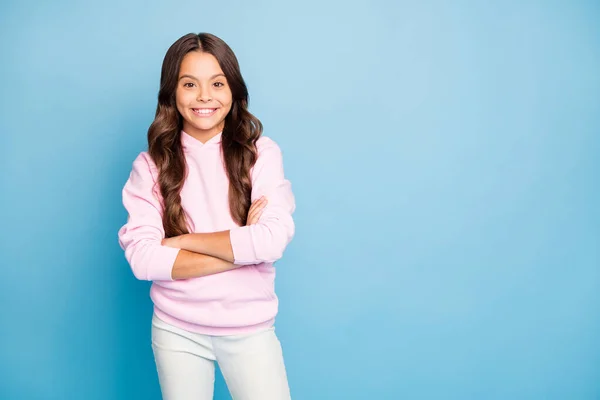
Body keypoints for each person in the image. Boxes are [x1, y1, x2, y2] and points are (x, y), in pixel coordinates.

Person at [117, 32, 295, 400]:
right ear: (172, 92)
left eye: (217, 83)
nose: (204, 97)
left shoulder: (261, 153)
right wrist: (242, 248)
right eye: (189, 84)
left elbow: (273, 240)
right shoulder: (150, 166)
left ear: (233, 89)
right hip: (176, 329)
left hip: (249, 328)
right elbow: (143, 259)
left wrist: (181, 243)